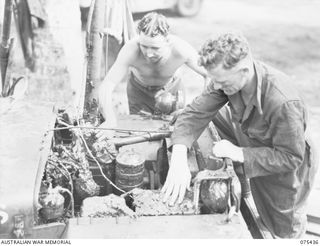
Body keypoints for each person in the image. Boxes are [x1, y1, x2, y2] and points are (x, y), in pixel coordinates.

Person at [162, 32, 318, 238]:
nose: (216, 87)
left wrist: (240, 153)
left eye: (222, 83)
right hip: (252, 134)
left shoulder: (283, 102)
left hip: (286, 159)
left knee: (283, 223)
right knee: (205, 116)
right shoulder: (227, 78)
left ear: (244, 71)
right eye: (215, 81)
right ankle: (244, 188)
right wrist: (179, 156)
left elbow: (291, 158)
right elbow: (197, 112)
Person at [97, 12, 207, 139]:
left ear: (167, 41)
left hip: (172, 91)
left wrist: (200, 109)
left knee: (175, 132)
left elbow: (209, 74)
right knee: (139, 136)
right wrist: (110, 121)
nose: (148, 53)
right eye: (144, 46)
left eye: (155, 48)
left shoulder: (181, 49)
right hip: (139, 92)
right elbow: (107, 85)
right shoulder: (131, 50)